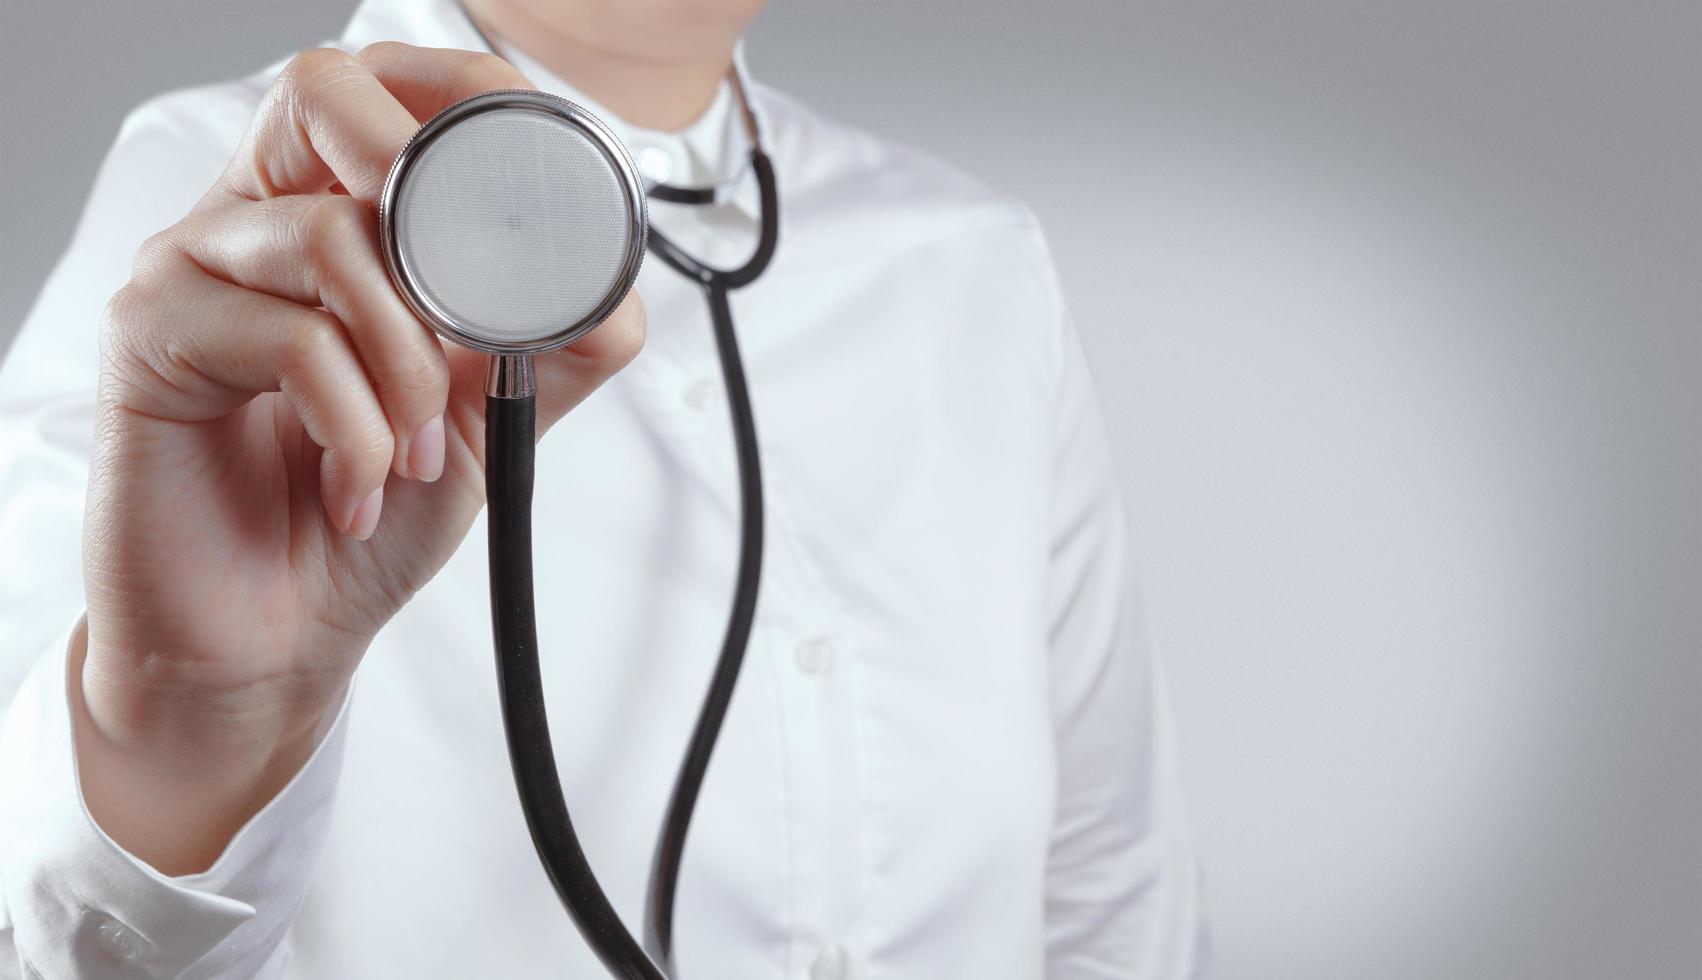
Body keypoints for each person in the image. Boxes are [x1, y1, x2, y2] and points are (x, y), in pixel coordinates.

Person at [0, 0, 1207, 975]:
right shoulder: (213, 220)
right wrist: (187, 723)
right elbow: (45, 937)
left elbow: (1113, 892)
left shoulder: (969, 262)